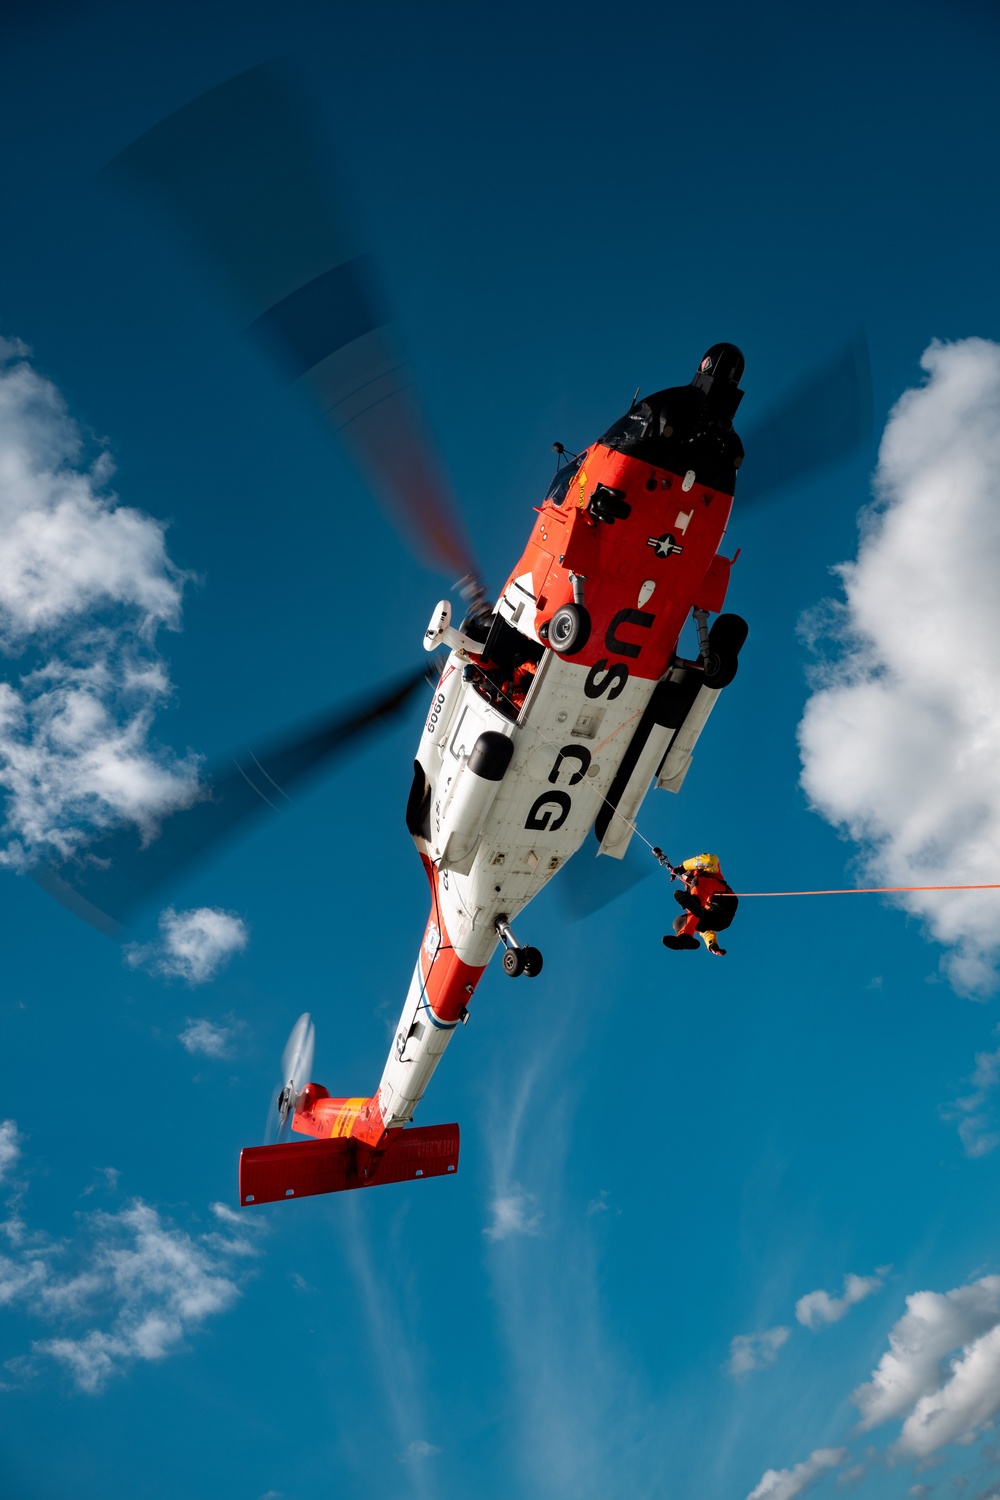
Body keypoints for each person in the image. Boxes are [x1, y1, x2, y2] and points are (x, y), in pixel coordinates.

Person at [652, 849, 738, 956]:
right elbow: (704, 929)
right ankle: (685, 937)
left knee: (698, 883)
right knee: (678, 922)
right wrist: (711, 944)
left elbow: (710, 860)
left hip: (725, 904)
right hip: (717, 920)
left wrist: (683, 867)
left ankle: (696, 904)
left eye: (687, 874)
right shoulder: (692, 897)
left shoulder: (710, 871)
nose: (686, 878)